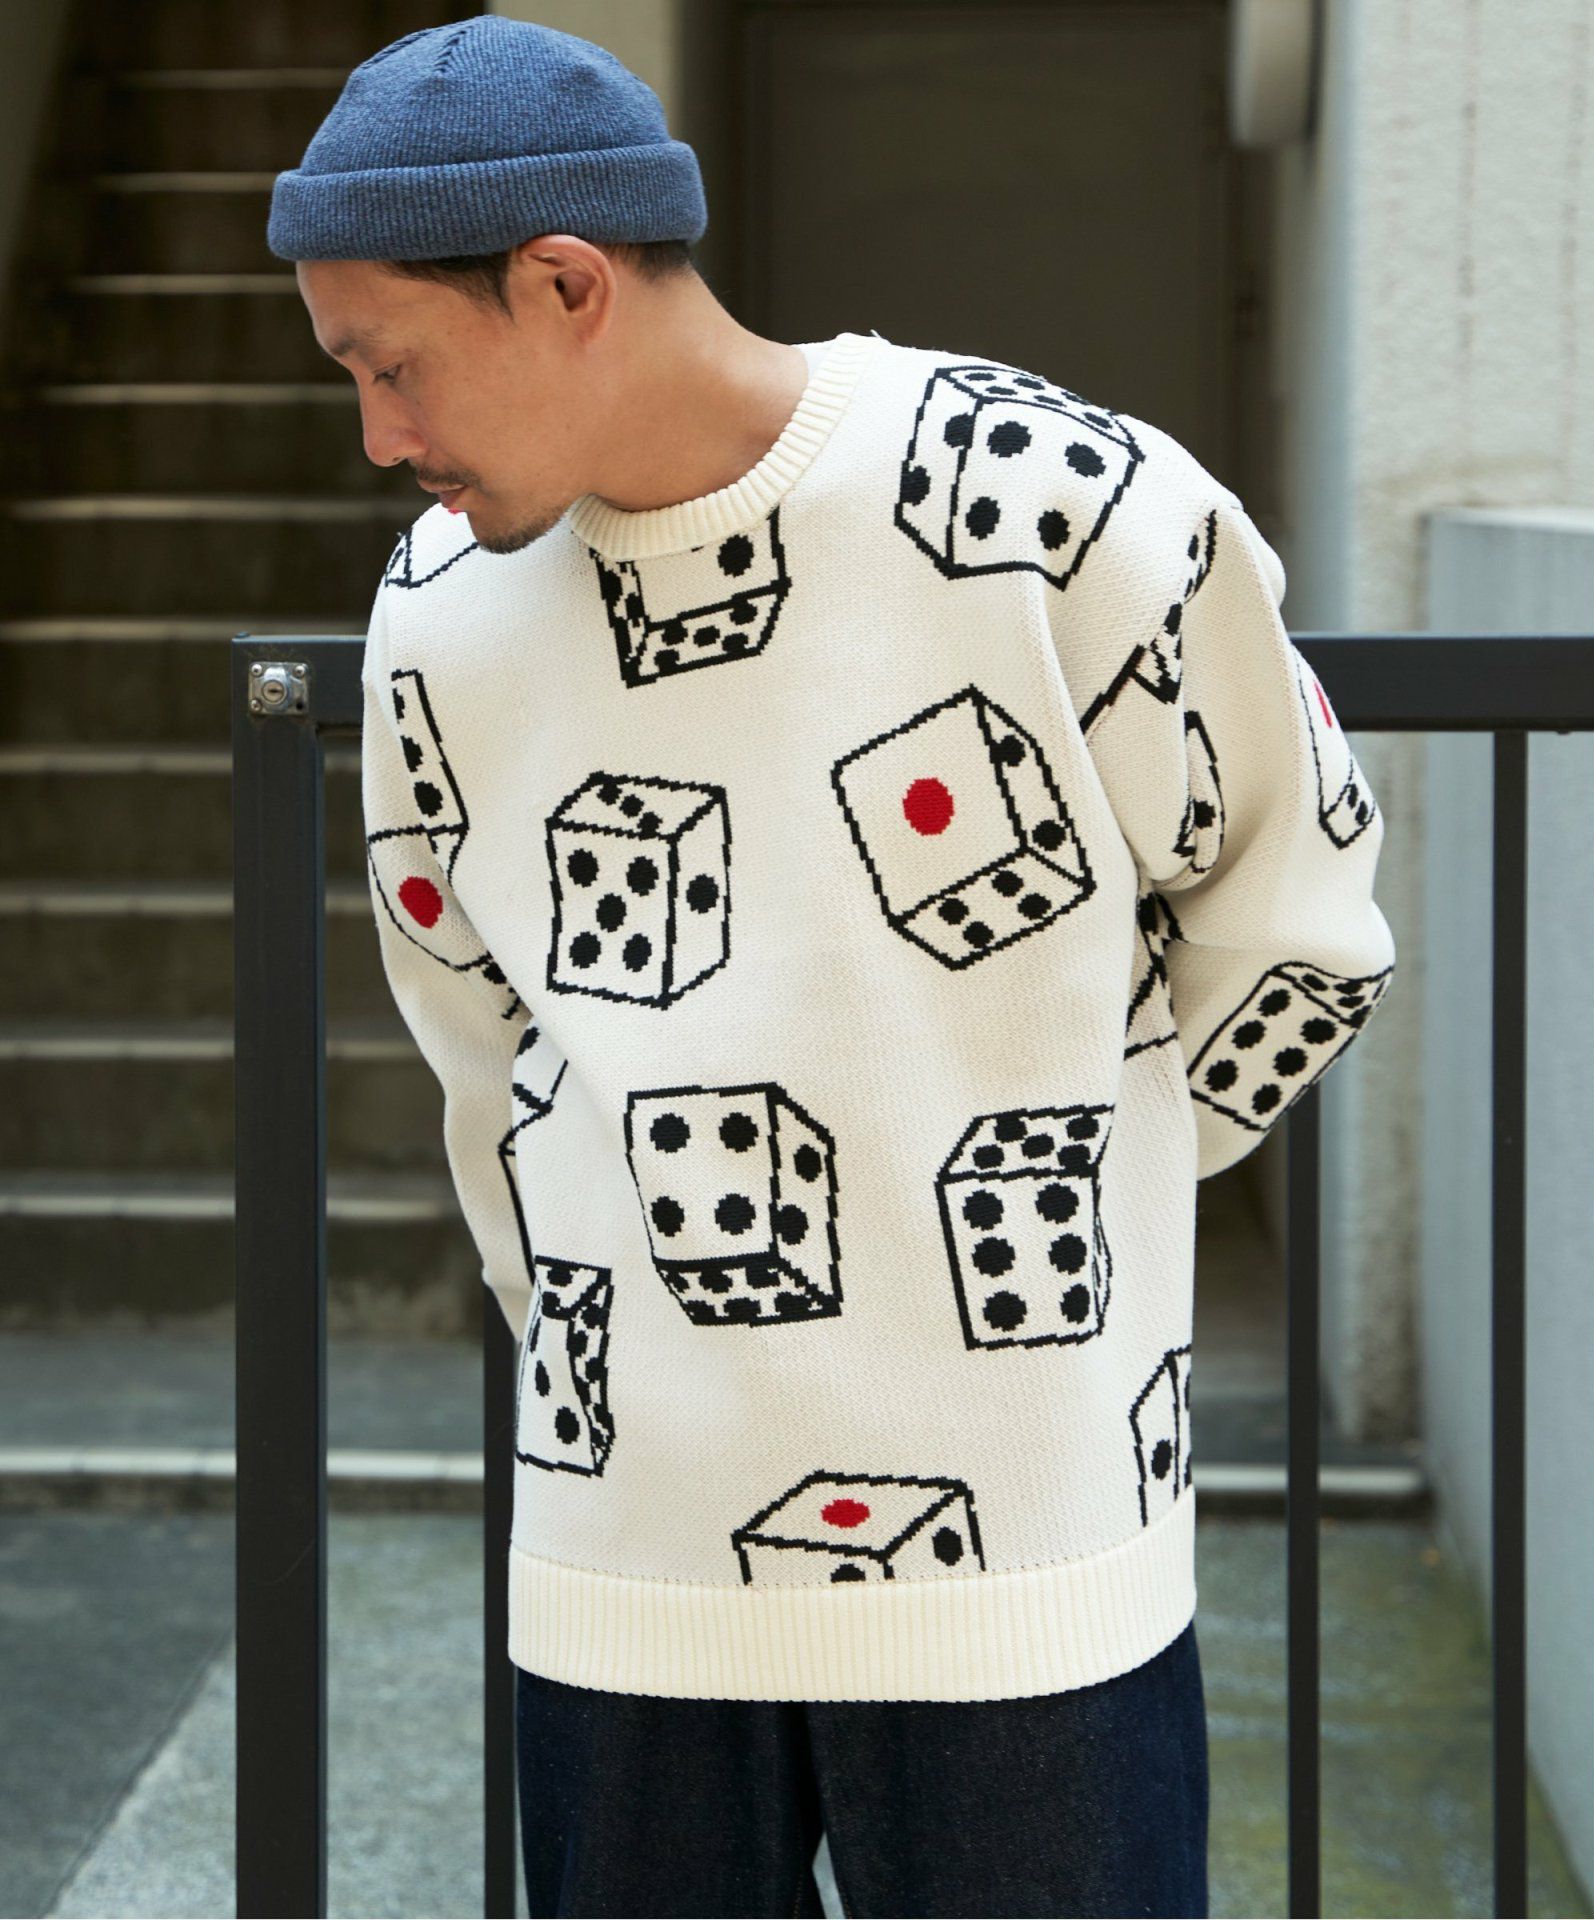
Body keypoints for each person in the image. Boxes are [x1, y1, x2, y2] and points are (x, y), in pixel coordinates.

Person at [268, 16, 1395, 1917]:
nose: (381, 436)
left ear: (565, 284)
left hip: (1035, 1558)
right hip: (625, 1566)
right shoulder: (437, 616)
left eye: (393, 366)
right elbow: (482, 1041)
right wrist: (601, 1325)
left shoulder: (1055, 503)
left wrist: (1074, 1180)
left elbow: (1303, 917)